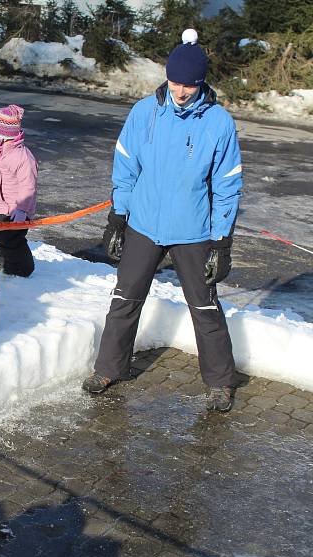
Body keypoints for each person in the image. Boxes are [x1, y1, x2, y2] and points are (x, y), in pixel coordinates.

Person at [81, 29, 243, 413]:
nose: (181, 91)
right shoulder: (144, 112)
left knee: (204, 306)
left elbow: (227, 186)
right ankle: (109, 368)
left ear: (201, 83)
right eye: (175, 81)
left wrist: (221, 242)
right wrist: (118, 217)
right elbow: (125, 166)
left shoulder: (218, 123)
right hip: (144, 223)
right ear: (166, 76)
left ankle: (220, 382)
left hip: (194, 230)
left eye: (189, 84)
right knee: (124, 298)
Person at [0, 104, 37, 277]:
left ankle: (23, 268)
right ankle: (5, 261)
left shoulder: (22, 157)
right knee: (0, 237)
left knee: (13, 241)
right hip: (0, 205)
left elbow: (28, 186)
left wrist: (22, 209)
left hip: (16, 209)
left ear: (4, 136)